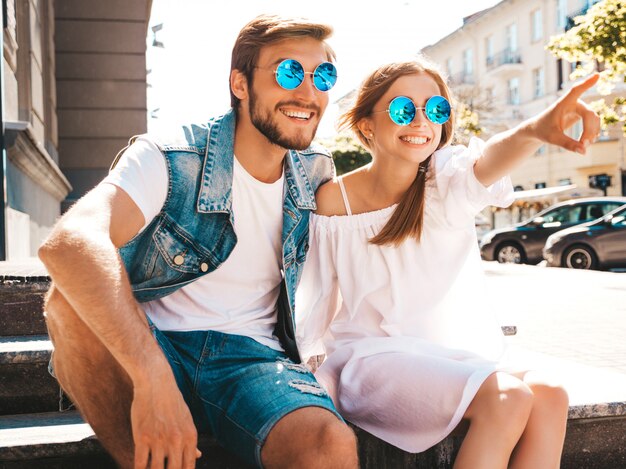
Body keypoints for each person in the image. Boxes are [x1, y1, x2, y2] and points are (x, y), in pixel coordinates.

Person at [38, 14, 359, 469]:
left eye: (323, 76)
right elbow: (68, 244)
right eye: (289, 72)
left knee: (329, 444)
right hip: (153, 345)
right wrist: (152, 377)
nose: (308, 93)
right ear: (241, 84)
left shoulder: (317, 173)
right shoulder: (171, 157)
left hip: (254, 361)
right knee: (68, 300)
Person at [297, 57, 600, 468]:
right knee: (508, 398)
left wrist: (534, 131)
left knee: (550, 393)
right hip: (369, 360)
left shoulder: (446, 181)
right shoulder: (333, 200)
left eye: (436, 110)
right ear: (367, 124)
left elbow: (489, 162)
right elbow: (314, 296)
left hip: (442, 356)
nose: (421, 122)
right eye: (404, 109)